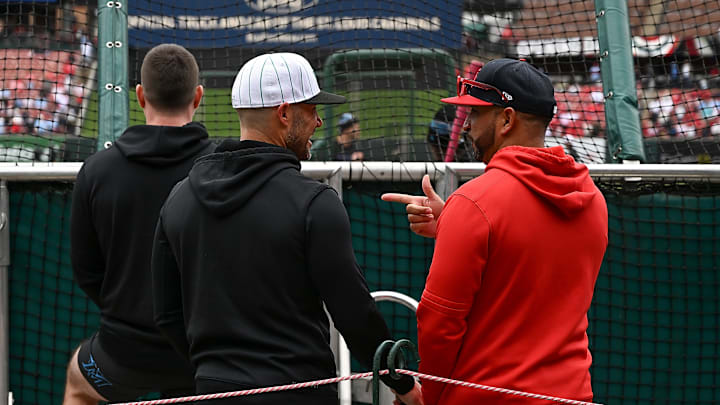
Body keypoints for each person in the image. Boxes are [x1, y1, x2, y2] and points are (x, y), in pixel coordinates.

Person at [151, 52, 423, 405]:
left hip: (212, 391)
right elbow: (354, 313)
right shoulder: (314, 201)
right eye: (310, 110)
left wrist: (214, 372)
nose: (319, 121)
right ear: (284, 113)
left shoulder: (179, 198)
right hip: (298, 393)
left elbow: (167, 314)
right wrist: (401, 382)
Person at [382, 59, 608, 404]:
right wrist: (451, 225)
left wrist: (433, 397)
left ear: (506, 119)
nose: (468, 126)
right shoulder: (593, 199)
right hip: (572, 395)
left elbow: (439, 324)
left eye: (477, 114)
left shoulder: (474, 202)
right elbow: (532, 264)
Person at [64, 44, 215, 404]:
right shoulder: (223, 168)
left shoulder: (98, 170)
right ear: (197, 96)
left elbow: (87, 271)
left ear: (140, 95)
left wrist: (129, 309)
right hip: (204, 356)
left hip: (122, 354)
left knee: (78, 384)